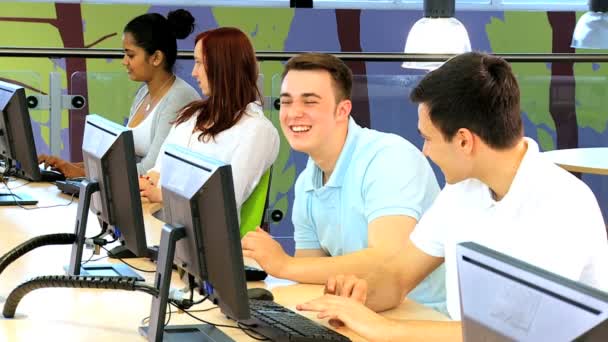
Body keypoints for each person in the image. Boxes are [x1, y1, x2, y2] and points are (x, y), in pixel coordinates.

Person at [296, 52, 608, 341]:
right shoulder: (462, 189)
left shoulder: (563, 205)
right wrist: (360, 296)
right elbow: (400, 273)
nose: (424, 151)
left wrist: (385, 328)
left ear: (463, 141)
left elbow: (510, 335)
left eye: (427, 138)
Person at [240, 53, 446, 312]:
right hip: (358, 313)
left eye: (310, 102)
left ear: (342, 110)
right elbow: (310, 271)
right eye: (286, 102)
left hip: (419, 317)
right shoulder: (306, 182)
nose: (294, 113)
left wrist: (283, 264)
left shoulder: (389, 157)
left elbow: (388, 259)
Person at [138, 27, 279, 222]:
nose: (194, 73)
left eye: (199, 63)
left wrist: (161, 194)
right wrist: (149, 181)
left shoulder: (258, 131)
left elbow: (225, 199)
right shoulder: (192, 115)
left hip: (204, 239)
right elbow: (160, 168)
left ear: (222, 66)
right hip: (166, 224)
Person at [38, 9, 200, 178]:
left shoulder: (179, 98)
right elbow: (122, 161)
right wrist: (66, 166)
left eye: (130, 55)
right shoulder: (144, 92)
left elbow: (150, 169)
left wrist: (80, 174)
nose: (124, 62)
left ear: (156, 58)